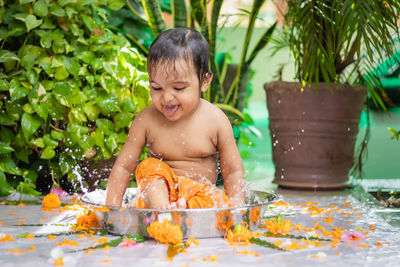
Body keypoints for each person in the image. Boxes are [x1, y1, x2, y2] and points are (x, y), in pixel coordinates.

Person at [105, 27, 245, 209]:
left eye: (178, 88)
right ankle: (163, 210)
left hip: (198, 197)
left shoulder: (216, 120)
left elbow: (232, 171)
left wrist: (238, 210)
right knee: (148, 167)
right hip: (156, 197)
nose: (166, 98)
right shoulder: (146, 121)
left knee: (217, 200)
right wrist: (110, 209)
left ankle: (182, 210)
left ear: (205, 81)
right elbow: (124, 167)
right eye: (156, 87)